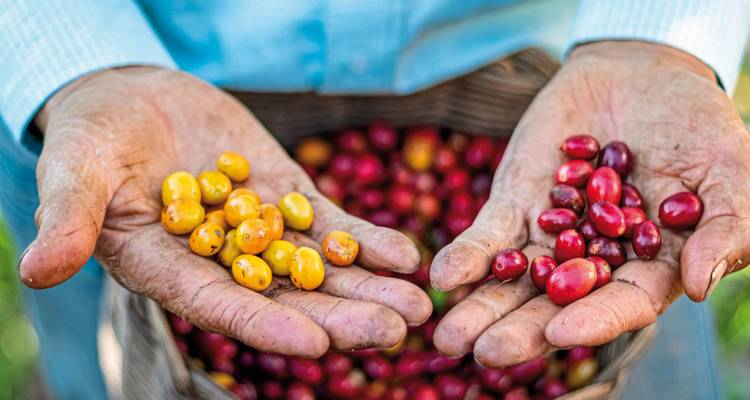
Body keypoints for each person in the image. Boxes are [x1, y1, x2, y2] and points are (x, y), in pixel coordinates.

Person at [1, 1, 748, 399]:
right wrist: (77, 66)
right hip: (121, 90)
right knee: (93, 355)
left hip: (543, 65)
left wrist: (656, 35)